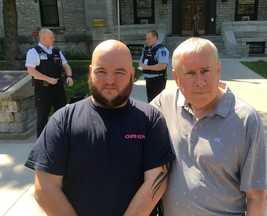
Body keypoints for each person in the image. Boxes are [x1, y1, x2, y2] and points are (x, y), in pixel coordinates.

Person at [24, 39, 175, 216]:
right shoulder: (63, 120)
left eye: (119, 72)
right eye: (101, 71)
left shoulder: (151, 119)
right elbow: (45, 189)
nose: (110, 80)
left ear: (132, 74)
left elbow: (156, 183)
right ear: (90, 72)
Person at [151, 37, 267, 216]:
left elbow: (256, 196)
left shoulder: (245, 119)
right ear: (176, 77)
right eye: (190, 73)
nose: (200, 82)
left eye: (206, 71)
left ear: (218, 70)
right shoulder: (165, 103)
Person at [25, 28, 73, 137]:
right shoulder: (33, 52)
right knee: (43, 117)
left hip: (58, 88)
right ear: (43, 38)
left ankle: (63, 138)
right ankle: (42, 144)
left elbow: (66, 65)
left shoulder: (56, 51)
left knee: (63, 114)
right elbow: (31, 70)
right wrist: (48, 79)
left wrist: (69, 76)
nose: (54, 39)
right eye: (51, 37)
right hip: (43, 90)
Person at [139, 30, 169, 102]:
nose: (147, 40)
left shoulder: (161, 50)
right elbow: (141, 60)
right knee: (151, 102)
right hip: (148, 81)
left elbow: (163, 65)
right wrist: (141, 65)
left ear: (155, 38)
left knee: (158, 103)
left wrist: (147, 67)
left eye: (149, 38)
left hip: (158, 81)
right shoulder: (147, 49)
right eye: (146, 39)